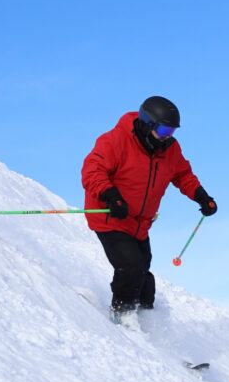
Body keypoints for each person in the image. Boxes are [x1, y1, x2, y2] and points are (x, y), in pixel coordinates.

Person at [81, 95, 216, 321]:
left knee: (144, 274)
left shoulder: (169, 150)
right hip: (111, 217)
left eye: (172, 132)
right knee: (130, 266)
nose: (167, 138)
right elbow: (92, 170)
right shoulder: (115, 140)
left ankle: (147, 324)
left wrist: (201, 197)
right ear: (147, 123)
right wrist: (110, 196)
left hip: (140, 223)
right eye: (164, 131)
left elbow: (183, 175)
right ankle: (122, 315)